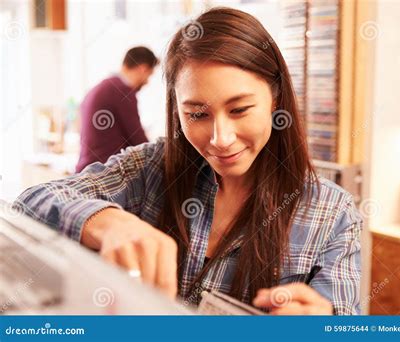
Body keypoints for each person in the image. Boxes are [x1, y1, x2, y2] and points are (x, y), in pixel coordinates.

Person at [14, 8, 362, 315]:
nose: (221, 138)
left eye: (239, 110)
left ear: (275, 99)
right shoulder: (150, 169)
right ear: (176, 110)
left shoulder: (333, 215)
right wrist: (107, 223)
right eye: (197, 114)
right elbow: (28, 204)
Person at [75, 46, 159, 173]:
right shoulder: (122, 90)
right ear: (143, 68)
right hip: (103, 173)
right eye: (149, 75)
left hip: (87, 170)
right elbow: (138, 140)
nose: (147, 82)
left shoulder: (103, 86)